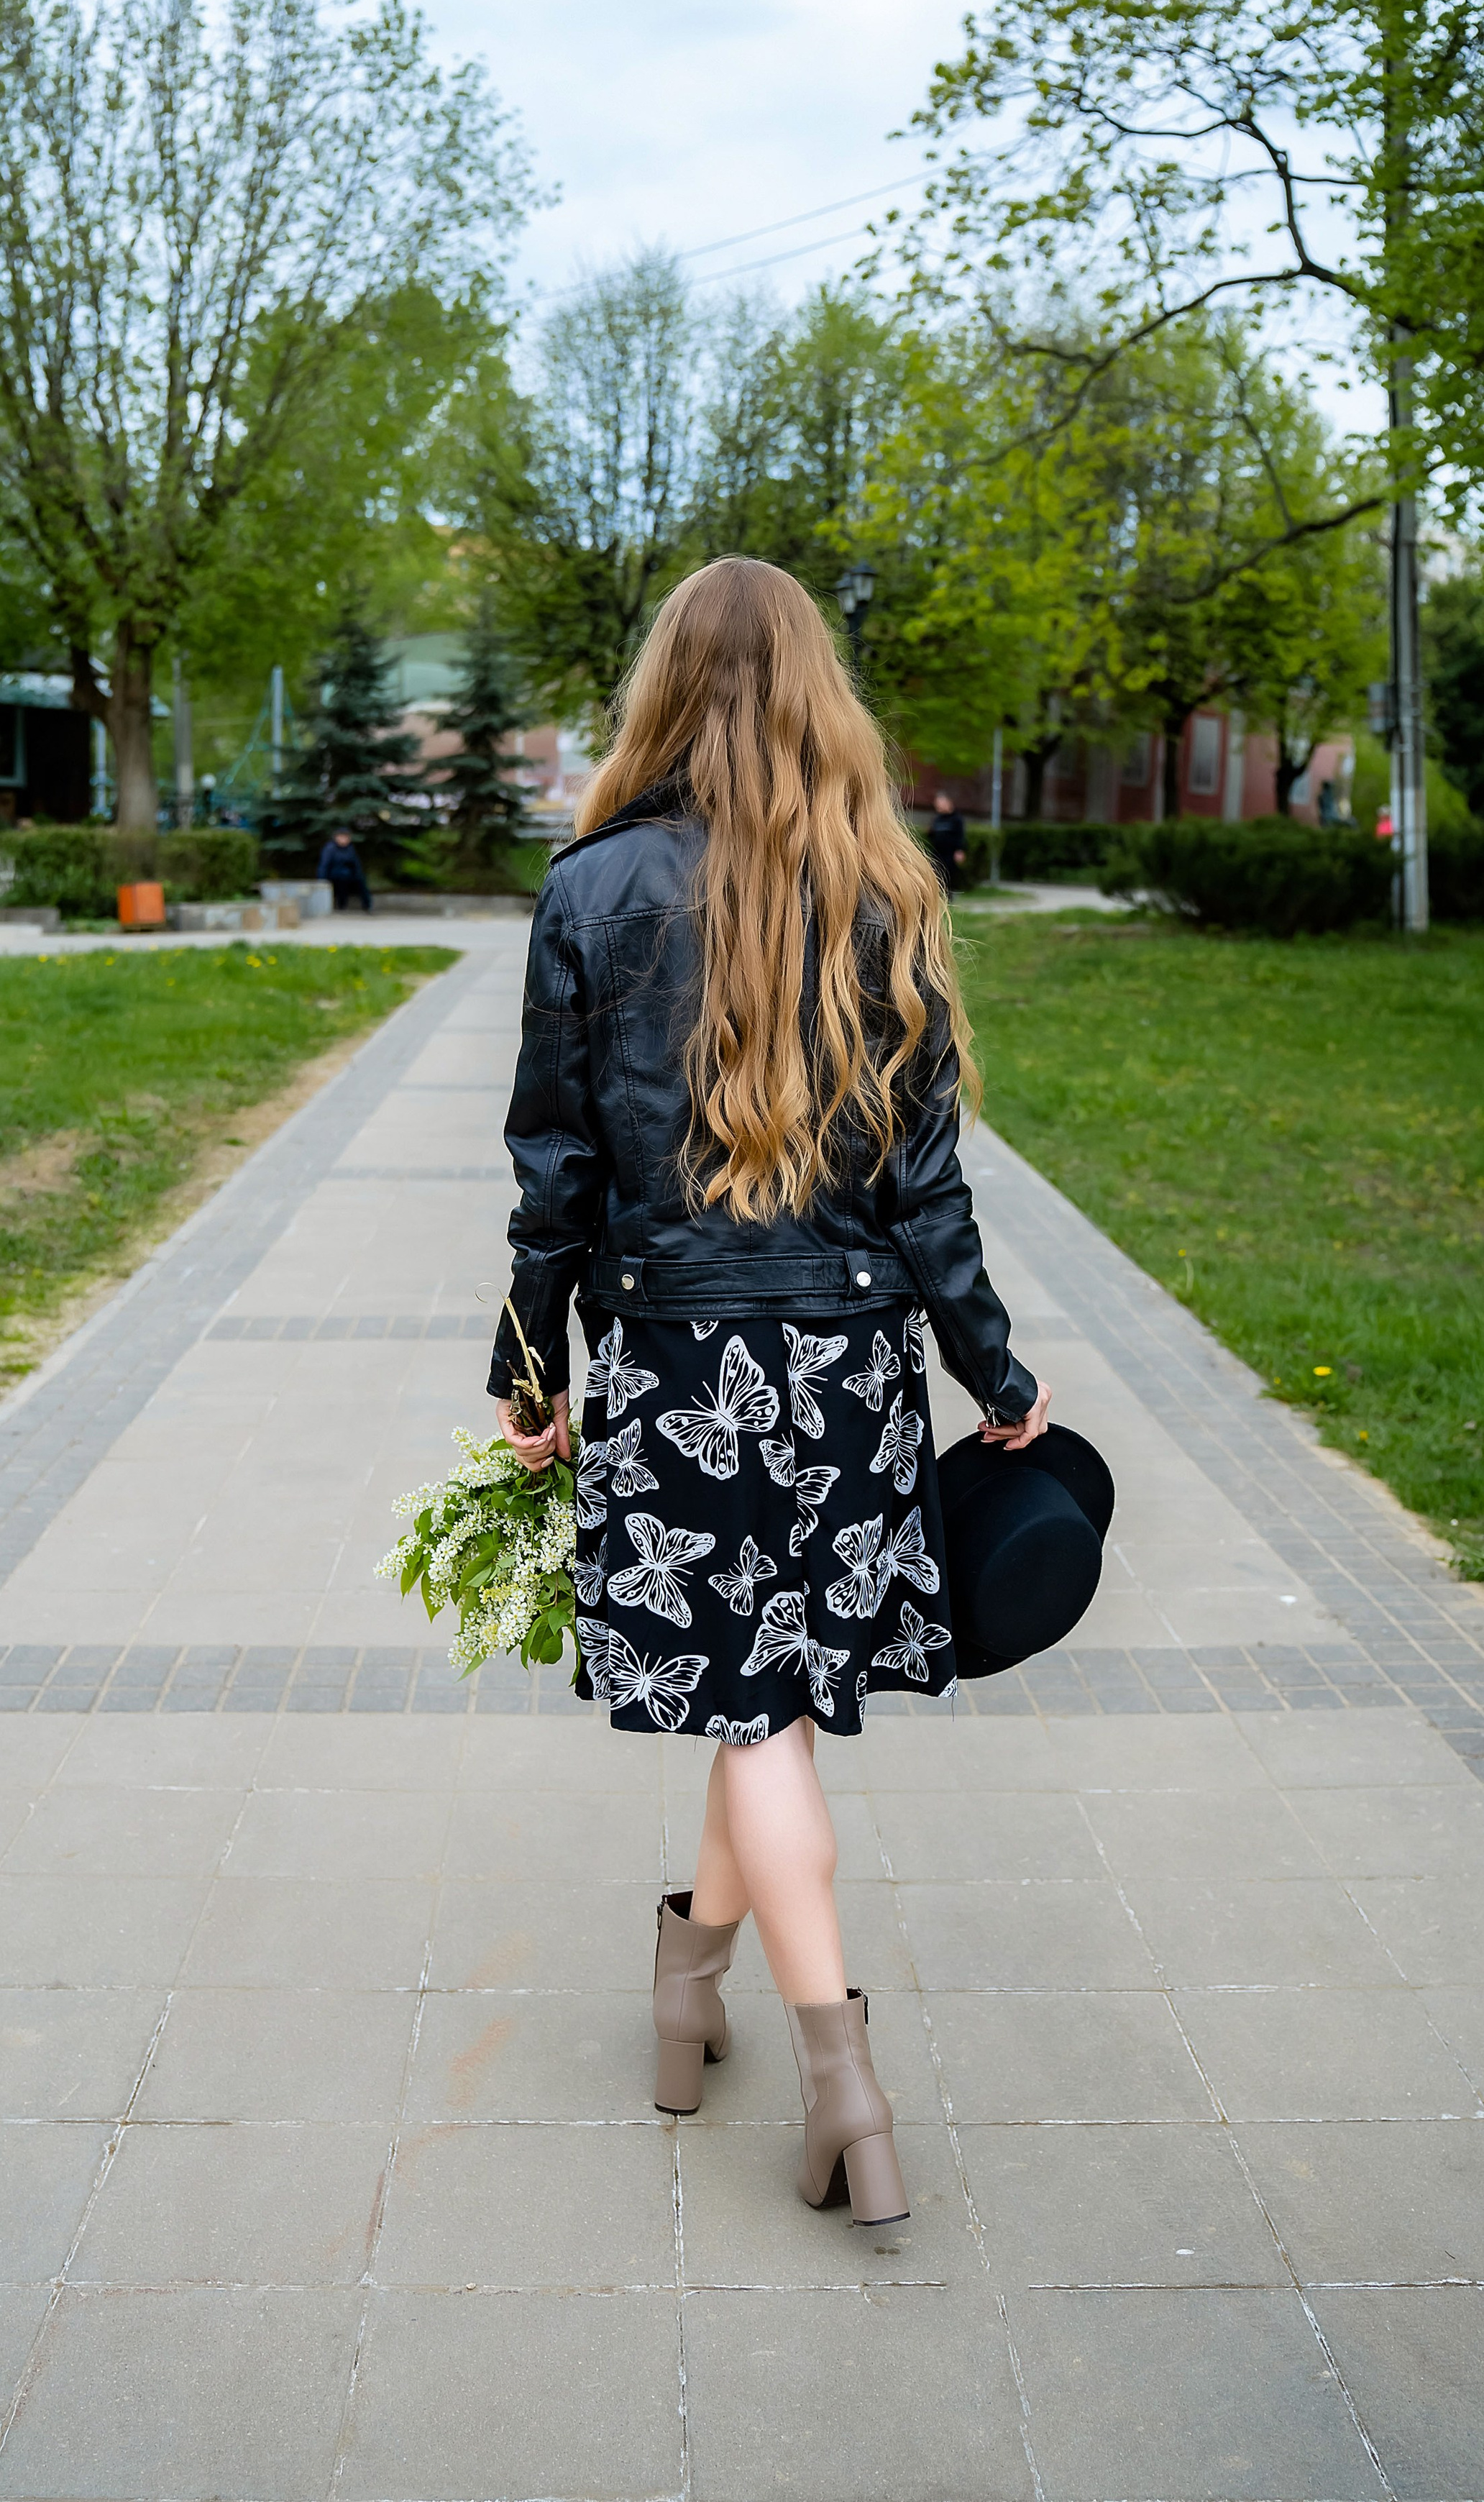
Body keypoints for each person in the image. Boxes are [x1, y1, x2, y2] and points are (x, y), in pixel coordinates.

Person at [488, 557, 1050, 2229]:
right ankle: (683, 1989)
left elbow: (554, 1170)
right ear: (817, 691)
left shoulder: (588, 893)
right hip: (842, 1368)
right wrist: (988, 1365)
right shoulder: (877, 887)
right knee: (766, 1707)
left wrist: (533, 1370)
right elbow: (925, 1186)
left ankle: (841, 2087)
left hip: (672, 1362)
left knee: (745, 1709)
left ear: (661, 686)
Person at [317, 824, 372, 913]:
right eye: (342, 837)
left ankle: (367, 905)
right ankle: (342, 905)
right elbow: (324, 865)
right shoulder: (330, 849)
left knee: (361, 880)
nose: (344, 840)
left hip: (348, 873)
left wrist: (358, 875)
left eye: (346, 837)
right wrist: (322, 880)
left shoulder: (350, 849)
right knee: (342, 878)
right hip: (334, 874)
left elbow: (356, 863)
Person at [926, 790, 968, 895]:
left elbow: (960, 836)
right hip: (937, 853)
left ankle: (949, 896)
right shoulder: (937, 819)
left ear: (948, 802)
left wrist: (960, 850)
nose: (938, 807)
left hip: (950, 854)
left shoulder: (957, 819)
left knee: (949, 876)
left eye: (940, 803)